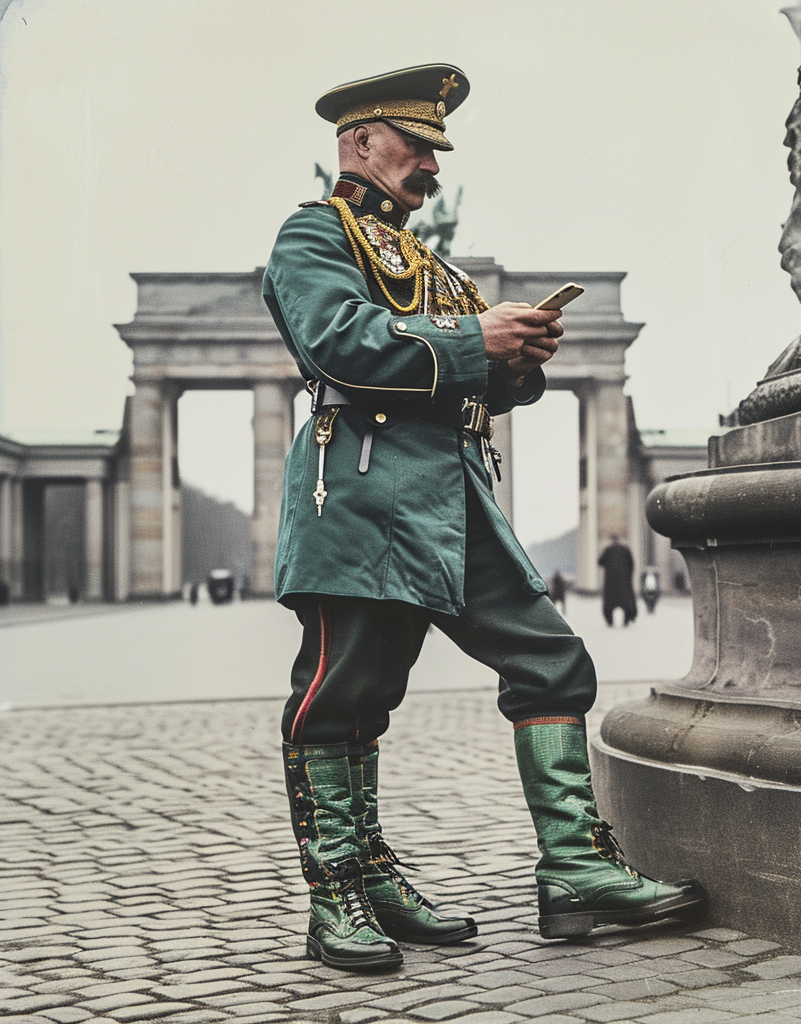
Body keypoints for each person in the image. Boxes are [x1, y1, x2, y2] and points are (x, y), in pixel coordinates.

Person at [262, 63, 704, 973]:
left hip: (458, 500)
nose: (430, 166)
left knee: (549, 658)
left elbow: (477, 381)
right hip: (364, 497)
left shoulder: (436, 266)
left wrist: (519, 358)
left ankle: (575, 869)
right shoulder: (314, 234)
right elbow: (338, 344)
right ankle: (346, 887)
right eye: (417, 146)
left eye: (435, 152)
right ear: (359, 143)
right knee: (344, 694)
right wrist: (476, 340)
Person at [598, 536, 637, 626]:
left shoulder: (608, 550)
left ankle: (610, 622)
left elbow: (600, 562)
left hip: (610, 583)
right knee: (626, 602)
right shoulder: (626, 550)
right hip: (624, 581)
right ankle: (626, 621)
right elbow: (632, 565)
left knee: (609, 603)